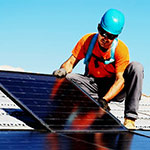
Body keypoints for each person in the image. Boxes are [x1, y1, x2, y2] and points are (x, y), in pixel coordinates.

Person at [53, 9, 144, 129]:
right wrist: (63, 71)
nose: (105, 38)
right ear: (98, 28)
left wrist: (105, 100)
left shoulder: (121, 50)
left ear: (116, 36)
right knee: (68, 78)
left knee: (136, 67)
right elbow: (70, 62)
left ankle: (130, 119)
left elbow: (120, 80)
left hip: (114, 89)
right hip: (93, 85)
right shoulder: (87, 41)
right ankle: (89, 107)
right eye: (103, 33)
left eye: (110, 37)